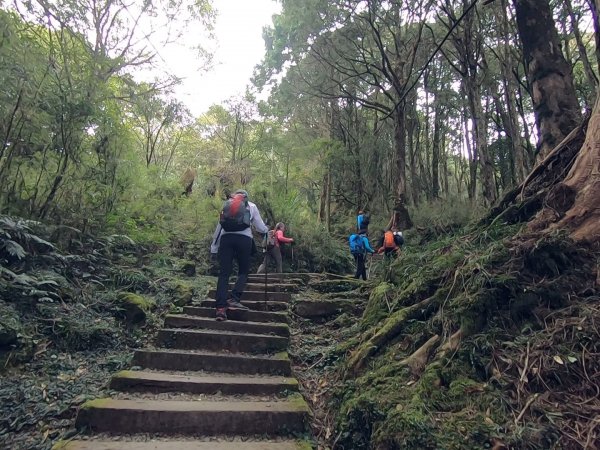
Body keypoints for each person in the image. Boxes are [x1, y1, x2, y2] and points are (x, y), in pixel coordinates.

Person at [210, 189, 269, 321]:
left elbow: (219, 227)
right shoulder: (251, 206)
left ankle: (220, 309)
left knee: (224, 273)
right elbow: (260, 226)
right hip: (244, 240)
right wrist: (266, 230)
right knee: (243, 271)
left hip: (226, 239)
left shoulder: (227, 205)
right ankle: (234, 298)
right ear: (246, 197)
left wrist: (214, 247)